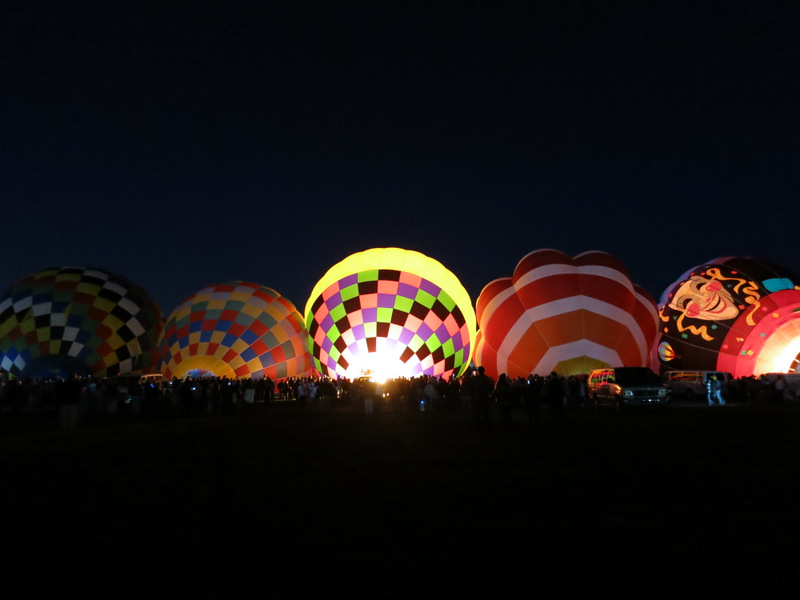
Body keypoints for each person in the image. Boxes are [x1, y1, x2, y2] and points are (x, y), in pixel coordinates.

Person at [471, 366, 495, 431]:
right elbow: (491, 388)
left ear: (479, 371)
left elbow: (472, 388)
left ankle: (478, 426)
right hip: (485, 397)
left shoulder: (475, 379)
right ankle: (486, 426)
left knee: (478, 413)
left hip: (478, 398)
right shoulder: (487, 379)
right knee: (486, 413)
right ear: (484, 371)